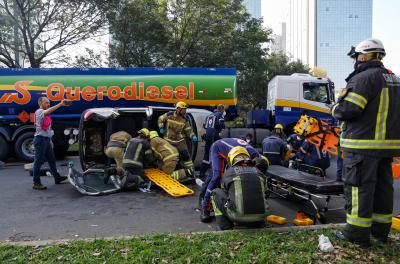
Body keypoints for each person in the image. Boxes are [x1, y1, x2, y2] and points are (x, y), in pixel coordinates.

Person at [331, 38, 400, 246]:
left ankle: (356, 236)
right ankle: (380, 233)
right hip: (387, 148)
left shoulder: (363, 79)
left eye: (357, 57)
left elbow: (348, 109)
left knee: (358, 189)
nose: (356, 60)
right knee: (382, 190)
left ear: (364, 56)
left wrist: (334, 107)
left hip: (362, 146)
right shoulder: (395, 78)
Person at [199, 138, 269, 222]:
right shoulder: (246, 157)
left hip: (233, 152)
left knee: (214, 175)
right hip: (219, 149)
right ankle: (205, 208)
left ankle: (203, 194)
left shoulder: (257, 159)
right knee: (217, 176)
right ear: (254, 164)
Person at [210, 146, 269, 230]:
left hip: (238, 216)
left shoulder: (229, 173)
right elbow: (266, 193)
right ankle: (257, 222)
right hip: (262, 215)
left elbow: (225, 193)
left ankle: (224, 226)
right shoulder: (259, 172)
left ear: (231, 159)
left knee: (215, 193)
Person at [32, 97, 71, 190]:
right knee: (38, 162)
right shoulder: (39, 111)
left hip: (46, 140)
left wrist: (50, 141)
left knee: (52, 160)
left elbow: (47, 130)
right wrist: (60, 104)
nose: (48, 104)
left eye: (49, 103)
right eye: (46, 103)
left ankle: (57, 178)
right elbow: (48, 111)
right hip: (40, 140)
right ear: (40, 103)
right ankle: (36, 183)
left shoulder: (46, 115)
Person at [158, 101, 197, 178]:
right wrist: (161, 127)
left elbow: (188, 130)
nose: (185, 111)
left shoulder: (184, 119)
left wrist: (192, 136)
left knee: (186, 156)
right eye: (183, 109)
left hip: (180, 141)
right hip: (168, 141)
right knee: (168, 156)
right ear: (178, 109)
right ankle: (166, 170)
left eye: (185, 109)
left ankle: (190, 171)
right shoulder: (169, 115)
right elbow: (160, 119)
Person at [199, 104, 225, 179]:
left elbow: (205, 126)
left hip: (208, 136)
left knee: (206, 154)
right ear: (222, 109)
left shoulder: (209, 115)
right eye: (223, 110)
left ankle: (202, 172)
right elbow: (222, 125)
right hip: (215, 136)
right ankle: (216, 172)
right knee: (217, 153)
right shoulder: (220, 114)